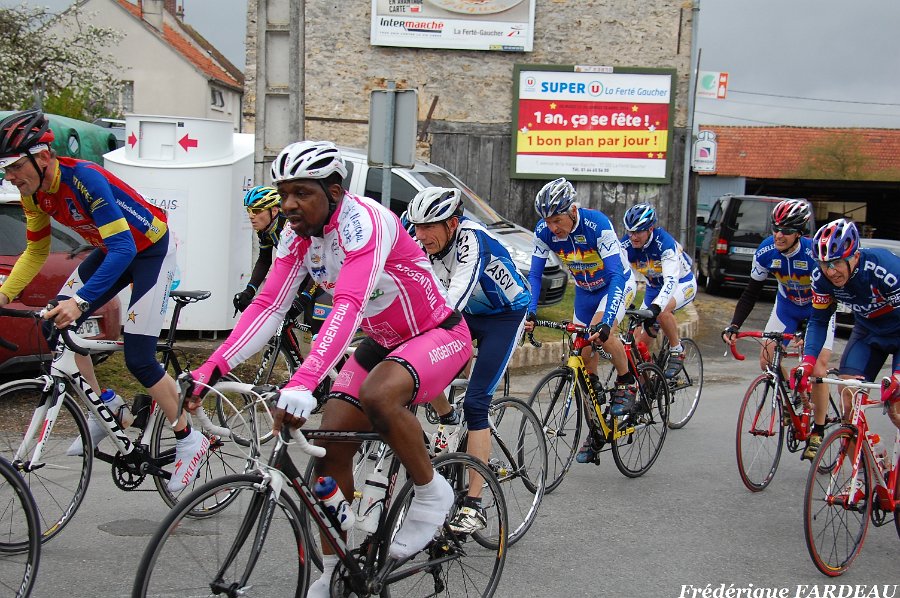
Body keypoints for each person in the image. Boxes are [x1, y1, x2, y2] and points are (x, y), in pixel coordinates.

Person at [188, 141, 472, 596]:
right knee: (328, 448)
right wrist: (213, 367)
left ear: (334, 191)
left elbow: (348, 304)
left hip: (438, 334)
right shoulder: (297, 235)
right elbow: (269, 305)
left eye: (302, 192)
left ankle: (430, 491)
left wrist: (304, 381)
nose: (289, 204)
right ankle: (335, 569)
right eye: (285, 193)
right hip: (384, 341)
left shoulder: (364, 223)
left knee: (379, 395)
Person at [0, 109, 206, 491]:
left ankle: (189, 437)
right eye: (5, 169)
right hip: (112, 250)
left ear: (42, 156)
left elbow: (125, 247)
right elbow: (35, 251)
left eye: (13, 166)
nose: (9, 176)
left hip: (150, 253)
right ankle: (107, 405)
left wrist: (80, 302)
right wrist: (4, 293)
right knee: (56, 325)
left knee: (139, 358)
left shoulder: (85, 179)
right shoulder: (34, 195)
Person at [406, 186, 530, 533]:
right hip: (469, 315)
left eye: (429, 227)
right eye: (417, 226)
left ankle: (474, 504)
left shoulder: (472, 240)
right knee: (417, 368)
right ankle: (447, 416)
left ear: (452, 224)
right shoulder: (422, 243)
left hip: (504, 316)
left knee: (476, 404)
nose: (421, 235)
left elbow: (453, 300)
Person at [522, 177, 637, 463]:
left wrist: (606, 321)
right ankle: (597, 429)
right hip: (585, 292)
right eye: (547, 221)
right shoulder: (544, 232)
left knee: (602, 333)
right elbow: (535, 275)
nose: (552, 227)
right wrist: (531, 311)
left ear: (573, 210)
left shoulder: (597, 225)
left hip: (616, 284)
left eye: (557, 220)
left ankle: (627, 381)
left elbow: (615, 275)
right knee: (583, 360)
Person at [722, 199, 835, 460]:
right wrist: (735, 325)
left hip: (819, 310)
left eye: (786, 230)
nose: (779, 235)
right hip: (787, 308)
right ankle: (789, 400)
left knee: (818, 369)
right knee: (766, 359)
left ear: (799, 232)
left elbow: (830, 295)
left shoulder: (813, 254)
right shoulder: (765, 251)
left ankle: (818, 430)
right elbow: (751, 293)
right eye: (776, 229)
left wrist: (806, 331)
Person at [793, 218, 900, 433]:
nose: (831, 271)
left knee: (896, 410)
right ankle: (865, 453)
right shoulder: (820, 278)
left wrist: (898, 373)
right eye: (825, 264)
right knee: (848, 402)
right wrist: (808, 362)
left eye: (837, 263)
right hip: (868, 332)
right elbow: (818, 321)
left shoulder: (885, 269)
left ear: (855, 256)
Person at [233, 185, 331, 334]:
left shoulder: (294, 228)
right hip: (305, 278)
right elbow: (264, 260)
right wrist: (249, 291)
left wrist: (304, 298)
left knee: (320, 334)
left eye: (257, 211)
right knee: (284, 325)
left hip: (326, 278)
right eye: (249, 210)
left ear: (273, 211)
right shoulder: (266, 230)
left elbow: (321, 263)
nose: (251, 216)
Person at [620, 203, 697, 378]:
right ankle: (647, 388)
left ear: (650, 229)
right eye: (630, 232)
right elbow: (619, 275)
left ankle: (677, 349)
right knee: (637, 347)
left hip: (682, 283)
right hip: (653, 287)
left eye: (638, 232)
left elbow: (671, 281)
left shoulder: (665, 244)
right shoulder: (625, 245)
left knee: (662, 311)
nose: (633, 237)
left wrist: (656, 307)